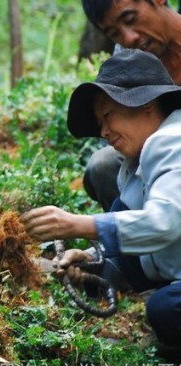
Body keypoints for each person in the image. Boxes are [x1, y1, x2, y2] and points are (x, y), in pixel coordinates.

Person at [21, 49, 181, 360]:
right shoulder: (137, 161)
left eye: (108, 116)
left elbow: (166, 223)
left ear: (146, 102)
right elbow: (143, 233)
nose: (104, 132)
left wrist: (78, 224)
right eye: (99, 122)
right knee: (122, 212)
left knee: (167, 309)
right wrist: (94, 260)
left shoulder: (172, 141)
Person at [81, 0, 181, 211]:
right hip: (154, 164)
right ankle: (135, 233)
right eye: (114, 33)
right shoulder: (127, 60)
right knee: (103, 165)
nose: (129, 38)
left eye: (130, 19)